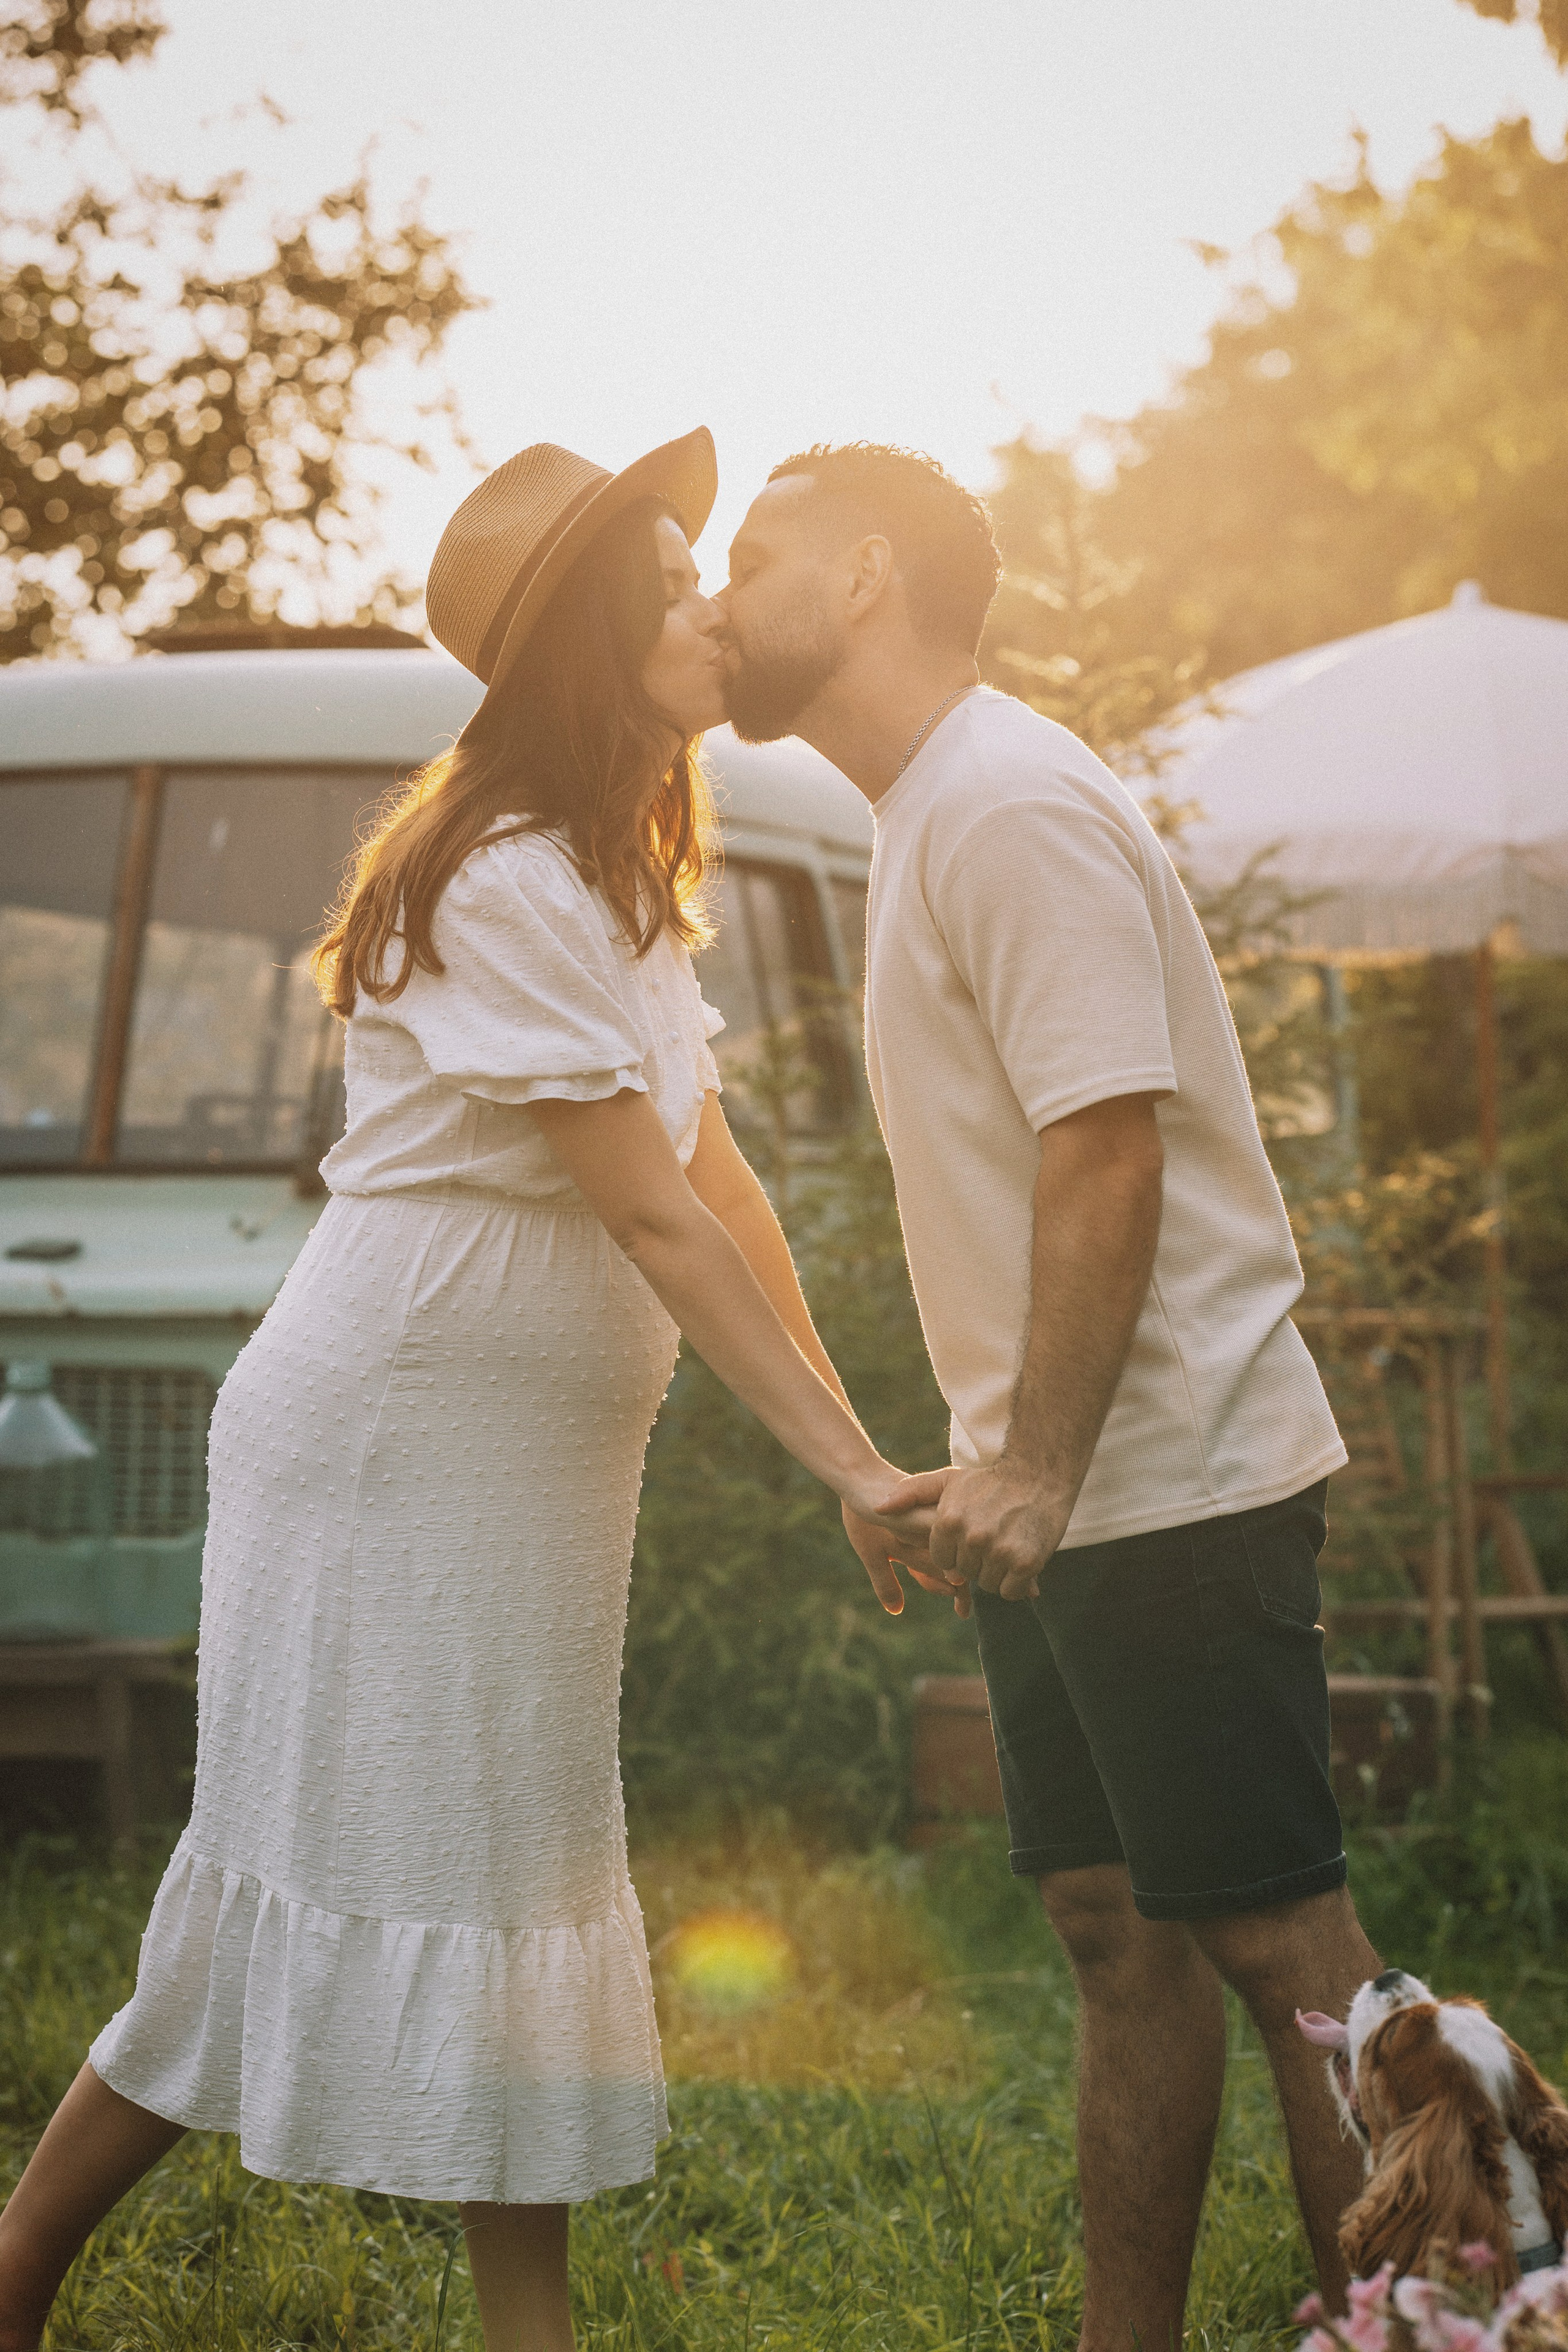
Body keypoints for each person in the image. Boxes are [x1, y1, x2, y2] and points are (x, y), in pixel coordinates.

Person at [0, 431, 944, 2352]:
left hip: (508, 1474)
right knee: (334, 1873)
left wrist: (859, 1437)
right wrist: (846, 1468)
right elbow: (652, 1223)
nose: (704, 603)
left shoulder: (615, 882)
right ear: (594, 633)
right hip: (393, 1453)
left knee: (511, 1873)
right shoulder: (507, 873)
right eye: (670, 577)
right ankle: (13, 2275)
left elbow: (728, 1182)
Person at [718, 441, 1382, 2338]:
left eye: (746, 557)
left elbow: (1109, 1148)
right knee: (1117, 1929)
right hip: (1066, 1487)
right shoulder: (933, 803)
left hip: (1161, 1478)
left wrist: (1043, 1465)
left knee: (1285, 1947)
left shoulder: (1004, 801)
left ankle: (1444, 2325)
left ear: (861, 577)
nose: (712, 596)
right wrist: (1005, 1462)